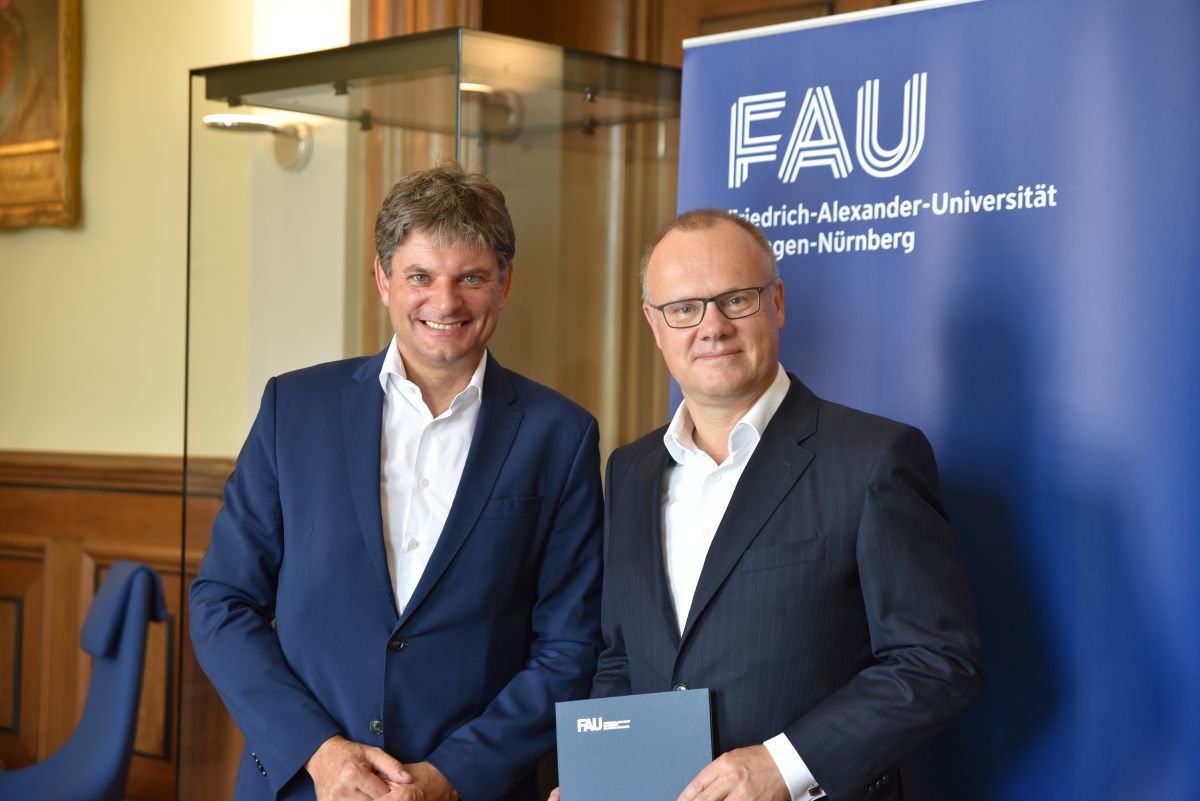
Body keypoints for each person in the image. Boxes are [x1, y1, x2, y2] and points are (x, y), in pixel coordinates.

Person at [189, 163, 604, 801]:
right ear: (383, 279)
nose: (445, 302)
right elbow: (222, 603)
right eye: (420, 276)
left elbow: (568, 648)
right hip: (305, 785)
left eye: (472, 277)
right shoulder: (293, 410)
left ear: (504, 284)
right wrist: (322, 756)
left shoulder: (561, 436)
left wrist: (450, 777)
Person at [588, 209, 983, 801]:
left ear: (776, 303)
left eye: (736, 300)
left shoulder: (874, 457)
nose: (711, 326)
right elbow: (622, 657)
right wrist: (604, 777)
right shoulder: (630, 471)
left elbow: (936, 661)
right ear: (654, 323)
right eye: (684, 308)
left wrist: (785, 765)